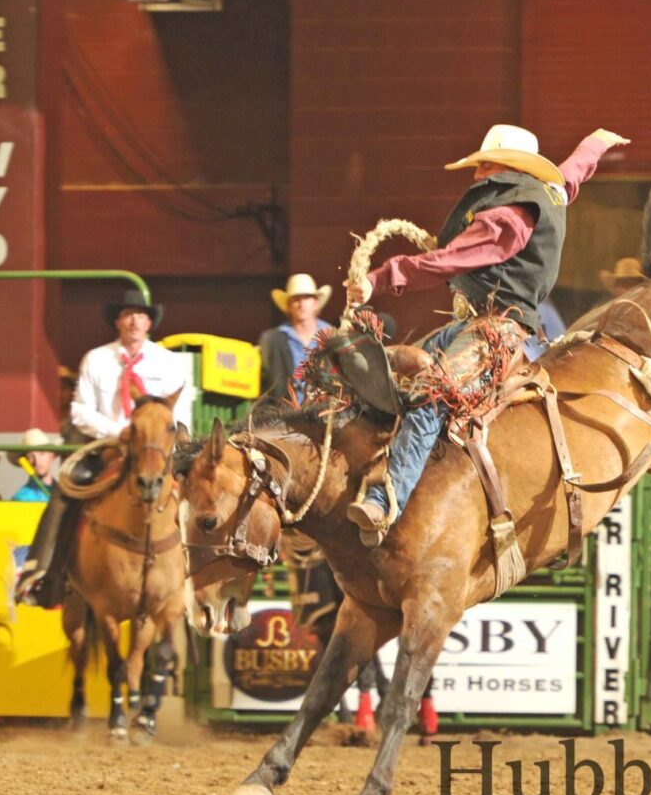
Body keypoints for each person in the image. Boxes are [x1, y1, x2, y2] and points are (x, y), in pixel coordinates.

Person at [343, 123, 630, 544]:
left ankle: (386, 502)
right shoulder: (545, 195)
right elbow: (573, 172)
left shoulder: (508, 217)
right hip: (472, 326)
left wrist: (383, 277)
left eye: (483, 166)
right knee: (389, 382)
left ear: (502, 168)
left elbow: (454, 259)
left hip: (495, 331)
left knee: (429, 397)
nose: (477, 176)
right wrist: (598, 142)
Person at [17, 290, 191, 604]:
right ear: (117, 321)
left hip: (157, 451)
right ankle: (43, 573)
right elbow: (80, 412)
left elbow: (182, 413)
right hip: (108, 447)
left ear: (150, 321)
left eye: (141, 314)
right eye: (128, 314)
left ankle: (198, 578)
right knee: (66, 491)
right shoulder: (96, 359)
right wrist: (118, 430)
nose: (134, 320)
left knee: (200, 497)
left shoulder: (169, 362)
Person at [258, 274, 334, 404]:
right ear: (289, 305)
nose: (301, 304)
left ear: (316, 303)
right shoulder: (273, 340)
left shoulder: (332, 336)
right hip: (285, 417)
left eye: (306, 297)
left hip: (326, 413)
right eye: (296, 299)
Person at [10, 427, 61, 502]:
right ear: (24, 462)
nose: (36, 461)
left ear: (52, 456)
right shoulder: (21, 499)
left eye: (42, 453)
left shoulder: (66, 493)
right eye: (30, 456)